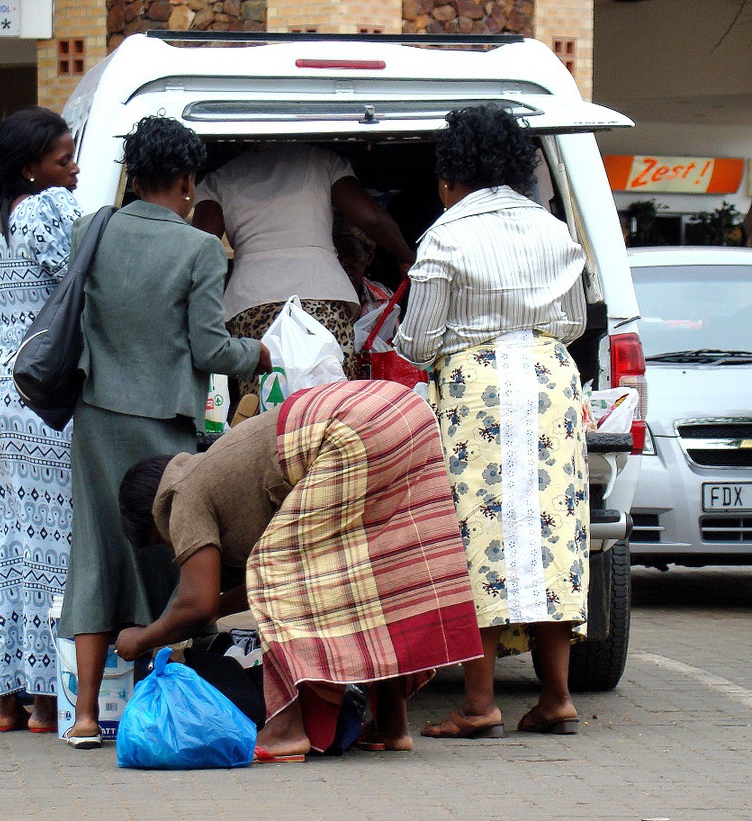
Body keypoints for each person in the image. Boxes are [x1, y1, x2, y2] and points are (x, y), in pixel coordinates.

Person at [113, 379, 483, 760]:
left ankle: (286, 729)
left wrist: (141, 640)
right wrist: (222, 604)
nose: (174, 546)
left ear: (153, 519)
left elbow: (198, 604)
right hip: (403, 411)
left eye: (161, 541)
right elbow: (229, 595)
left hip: (349, 426)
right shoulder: (216, 472)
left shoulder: (180, 497)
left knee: (279, 572)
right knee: (374, 574)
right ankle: (391, 723)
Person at [57, 116, 271, 750]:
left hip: (95, 417)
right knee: (168, 558)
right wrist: (256, 353)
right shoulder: (199, 249)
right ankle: (157, 706)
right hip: (162, 428)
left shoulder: (89, 234)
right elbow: (209, 346)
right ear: (184, 180)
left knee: (96, 551)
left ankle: (86, 716)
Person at [394, 105, 591, 738]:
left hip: (475, 390)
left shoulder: (446, 235)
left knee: (476, 536)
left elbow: (417, 340)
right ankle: (556, 697)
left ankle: (479, 707)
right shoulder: (553, 230)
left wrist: (468, 343)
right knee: (552, 533)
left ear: (450, 173)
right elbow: (575, 325)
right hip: (548, 383)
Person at [0, 106, 81, 733]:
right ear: (33, 166)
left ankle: (3, 701)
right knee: (51, 545)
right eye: (64, 159)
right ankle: (45, 701)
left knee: (4, 543)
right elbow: (78, 289)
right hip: (42, 390)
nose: (76, 169)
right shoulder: (49, 212)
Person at [192, 143, 414, 395]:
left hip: (253, 302)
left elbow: (201, 246)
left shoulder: (219, 179)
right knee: (330, 406)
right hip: (324, 296)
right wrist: (407, 258)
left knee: (265, 406)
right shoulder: (323, 161)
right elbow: (371, 218)